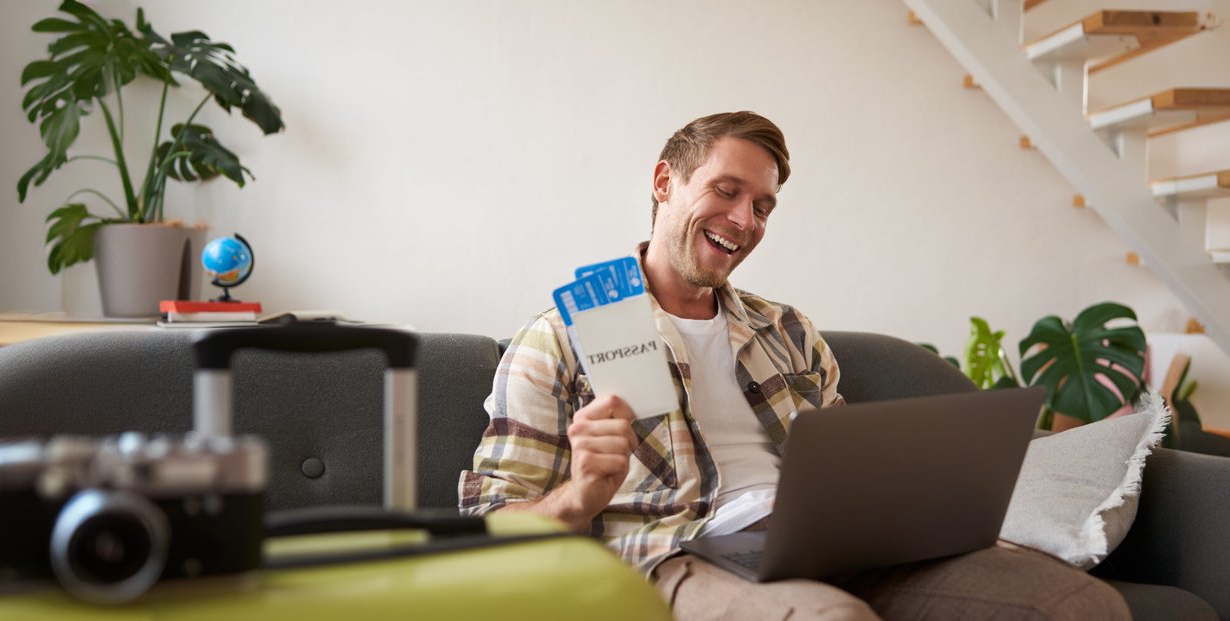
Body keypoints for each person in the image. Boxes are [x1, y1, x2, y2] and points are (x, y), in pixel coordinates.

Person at [458, 111, 1130, 620]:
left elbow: (850, 469)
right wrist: (579, 495)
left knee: (1075, 603)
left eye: (763, 205)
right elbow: (492, 530)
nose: (744, 219)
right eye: (726, 190)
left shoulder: (788, 329)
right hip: (672, 552)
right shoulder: (557, 340)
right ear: (665, 181)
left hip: (827, 542)